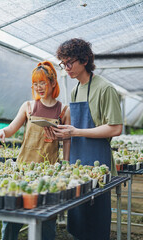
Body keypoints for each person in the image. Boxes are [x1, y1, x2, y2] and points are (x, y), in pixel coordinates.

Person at [48, 38, 123, 240]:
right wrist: (64, 142)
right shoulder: (74, 90)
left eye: (69, 62)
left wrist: (76, 132)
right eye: (63, 64)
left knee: (95, 223)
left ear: (84, 59)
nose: (67, 68)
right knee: (78, 222)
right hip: (77, 164)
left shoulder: (105, 89)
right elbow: (72, 129)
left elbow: (115, 128)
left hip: (99, 164)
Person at [0, 60, 70, 240]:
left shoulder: (63, 110)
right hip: (23, 169)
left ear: (52, 82)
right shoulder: (28, 106)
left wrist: (65, 164)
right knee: (12, 216)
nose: (39, 87)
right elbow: (11, 129)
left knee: (46, 217)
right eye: (35, 84)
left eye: (42, 83)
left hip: (48, 171)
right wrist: (1, 132)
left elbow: (67, 140)